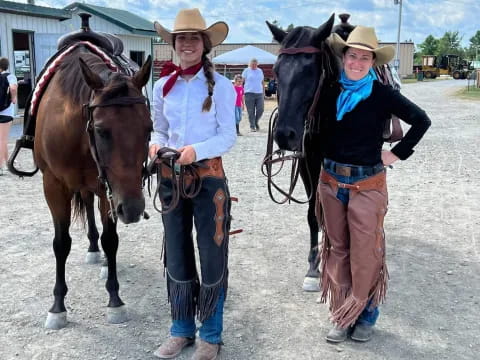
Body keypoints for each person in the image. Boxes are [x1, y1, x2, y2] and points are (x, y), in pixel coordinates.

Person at [316, 26, 431, 343]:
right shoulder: (329, 90)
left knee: (366, 252)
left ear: (371, 62)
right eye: (352, 55)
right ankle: (342, 314)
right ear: (344, 57)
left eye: (363, 58)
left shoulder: (381, 94)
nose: (356, 62)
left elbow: (421, 120)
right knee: (337, 249)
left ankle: (366, 313)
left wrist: (396, 154)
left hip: (367, 183)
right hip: (330, 182)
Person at [150, 8, 236, 360]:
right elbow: (157, 128)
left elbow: (227, 136)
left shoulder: (223, 86)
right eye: (180, 38)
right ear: (173, 44)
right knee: (177, 252)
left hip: (207, 179)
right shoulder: (161, 85)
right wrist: (153, 145)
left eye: (192, 38)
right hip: (171, 179)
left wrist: (194, 151)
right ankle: (181, 329)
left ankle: (211, 334)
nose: (186, 43)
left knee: (212, 253)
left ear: (204, 44)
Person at [0, 57, 18, 176]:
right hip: (5, 111)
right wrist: (14, 97)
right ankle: (0, 166)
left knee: (2, 140)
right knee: (2, 140)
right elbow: (13, 87)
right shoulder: (10, 76)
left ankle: (7, 162)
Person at [241, 58, 264, 132]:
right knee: (250, 111)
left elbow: (262, 81)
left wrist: (264, 92)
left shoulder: (260, 71)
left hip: (259, 93)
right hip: (249, 93)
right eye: (252, 64)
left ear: (257, 64)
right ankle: (252, 126)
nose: (254, 66)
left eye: (255, 64)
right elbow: (242, 81)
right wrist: (241, 91)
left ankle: (256, 121)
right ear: (250, 64)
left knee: (261, 109)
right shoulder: (246, 70)